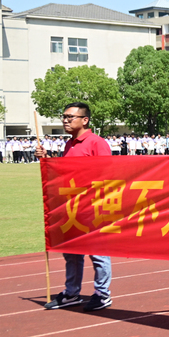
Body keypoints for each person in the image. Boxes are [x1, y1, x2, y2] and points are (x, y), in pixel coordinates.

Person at [36, 102, 114, 311]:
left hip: (93, 207)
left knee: (98, 253)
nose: (65, 120)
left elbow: (108, 174)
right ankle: (71, 293)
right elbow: (67, 173)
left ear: (85, 120)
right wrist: (47, 161)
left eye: (71, 117)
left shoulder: (97, 143)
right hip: (71, 207)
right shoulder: (70, 144)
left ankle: (102, 294)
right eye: (64, 117)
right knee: (71, 252)